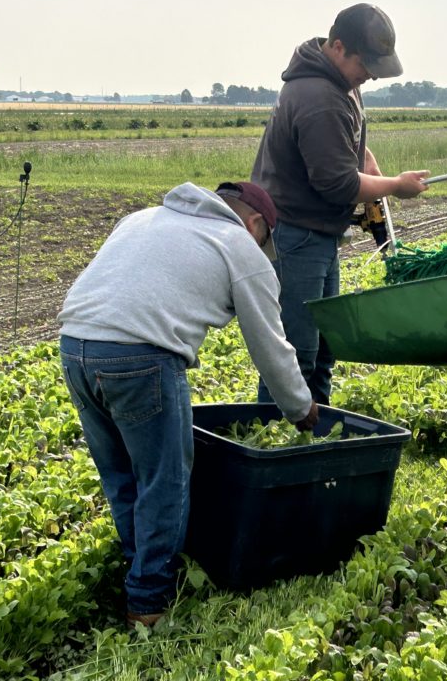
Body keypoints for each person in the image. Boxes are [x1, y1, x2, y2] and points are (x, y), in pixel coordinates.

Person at [57, 180, 318, 627]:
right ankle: (149, 605)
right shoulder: (238, 244)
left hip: (75, 346)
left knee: (123, 475)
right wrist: (300, 408)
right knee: (165, 481)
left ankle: (137, 566)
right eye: (264, 240)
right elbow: (271, 347)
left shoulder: (141, 217)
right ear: (256, 223)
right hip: (141, 356)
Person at [251, 3, 430, 406]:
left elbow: (352, 150)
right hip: (295, 236)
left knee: (324, 345)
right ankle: (274, 441)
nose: (370, 74)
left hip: (318, 235)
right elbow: (337, 183)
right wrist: (394, 187)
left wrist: (376, 173)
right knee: (296, 353)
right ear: (337, 46)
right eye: (366, 63)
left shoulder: (340, 85)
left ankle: (316, 439)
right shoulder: (318, 97)